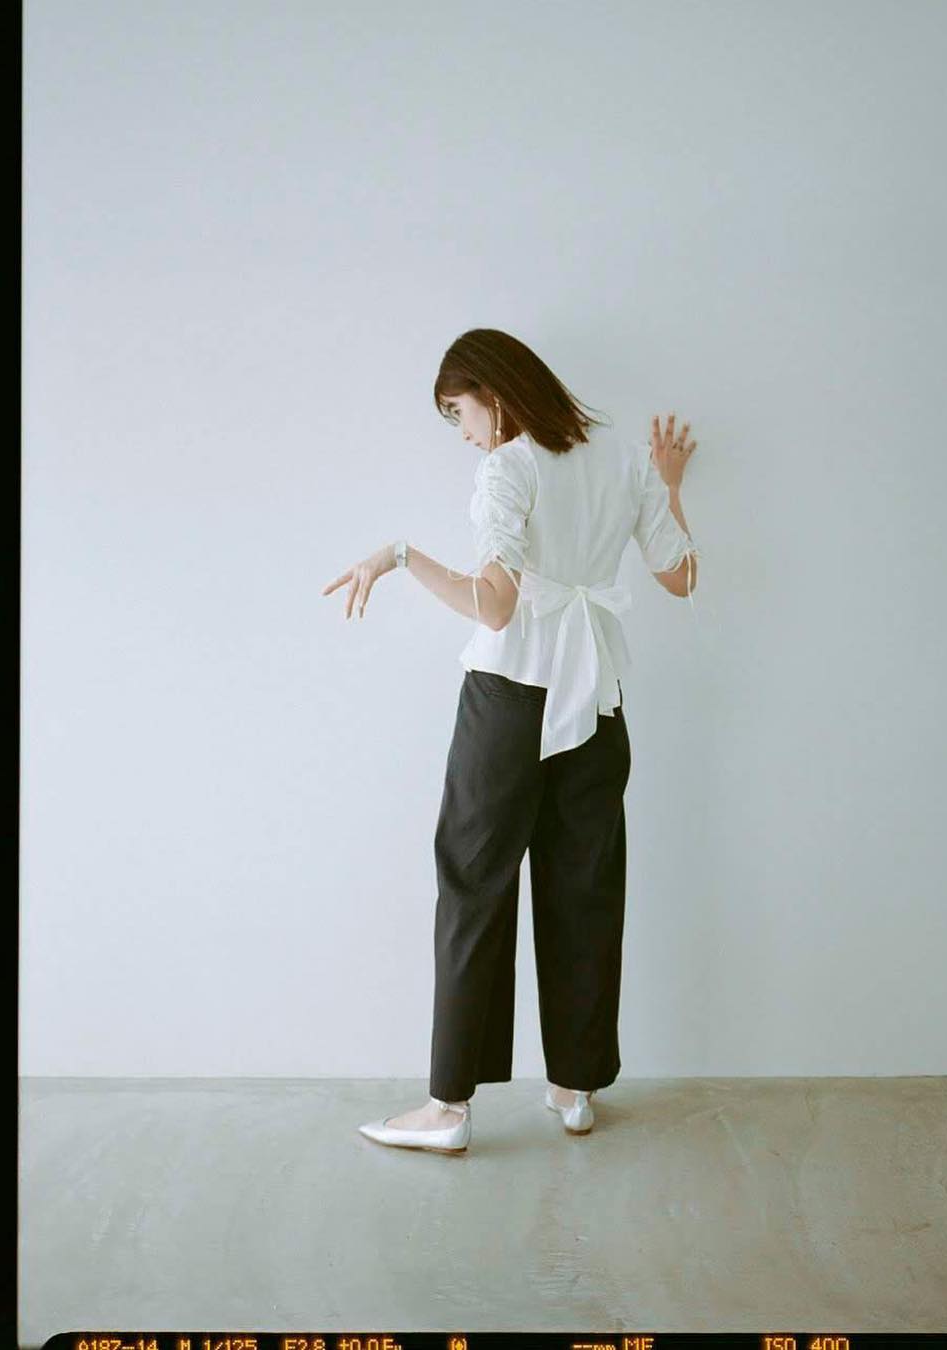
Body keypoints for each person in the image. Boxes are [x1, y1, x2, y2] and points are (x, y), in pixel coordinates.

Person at [321, 328, 699, 1154]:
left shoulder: (508, 467)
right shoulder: (624, 460)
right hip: (596, 699)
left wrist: (400, 556)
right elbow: (681, 577)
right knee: (584, 887)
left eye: (458, 412)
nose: (462, 433)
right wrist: (668, 486)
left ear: (493, 396)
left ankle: (448, 1109)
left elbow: (494, 607)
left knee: (472, 887)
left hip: (510, 702)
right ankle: (575, 1088)